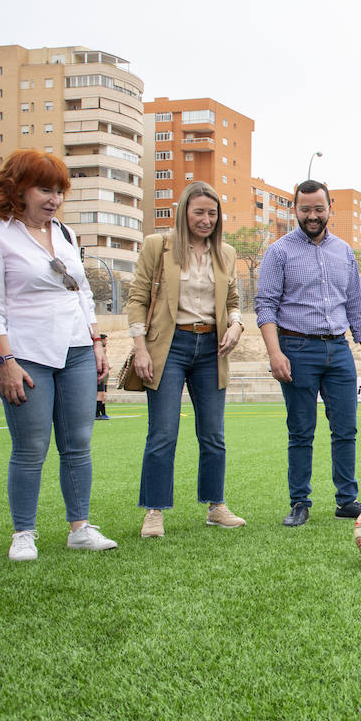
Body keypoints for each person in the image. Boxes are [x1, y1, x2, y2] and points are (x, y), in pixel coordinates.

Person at [0, 149, 117, 559]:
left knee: (77, 442)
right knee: (31, 446)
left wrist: (95, 342)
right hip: (25, 354)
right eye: (45, 189)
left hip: (75, 348)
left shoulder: (66, 234)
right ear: (17, 189)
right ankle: (24, 533)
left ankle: (80, 527)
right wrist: (4, 362)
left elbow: (82, 292)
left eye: (60, 190)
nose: (54, 198)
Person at [127, 180, 245, 539]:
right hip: (169, 347)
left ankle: (215, 506)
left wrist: (237, 325)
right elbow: (136, 297)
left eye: (212, 213)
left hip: (212, 348)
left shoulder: (225, 253)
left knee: (213, 434)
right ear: (183, 212)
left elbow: (233, 301)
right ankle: (154, 512)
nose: (206, 219)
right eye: (199, 212)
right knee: (163, 433)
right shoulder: (157, 246)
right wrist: (140, 347)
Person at [255, 179, 361, 526]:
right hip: (295, 348)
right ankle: (299, 502)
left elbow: (355, 301)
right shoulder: (279, 252)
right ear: (295, 210)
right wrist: (275, 353)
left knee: (346, 429)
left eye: (318, 209)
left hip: (338, 349)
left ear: (329, 210)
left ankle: (347, 500)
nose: (312, 215)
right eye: (305, 209)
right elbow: (265, 305)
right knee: (301, 430)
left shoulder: (344, 252)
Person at [94, 334, 110, 420]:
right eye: (105, 340)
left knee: (103, 395)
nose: (106, 342)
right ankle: (97, 414)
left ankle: (102, 413)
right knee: (100, 395)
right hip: (99, 374)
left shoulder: (103, 349)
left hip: (104, 376)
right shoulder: (99, 349)